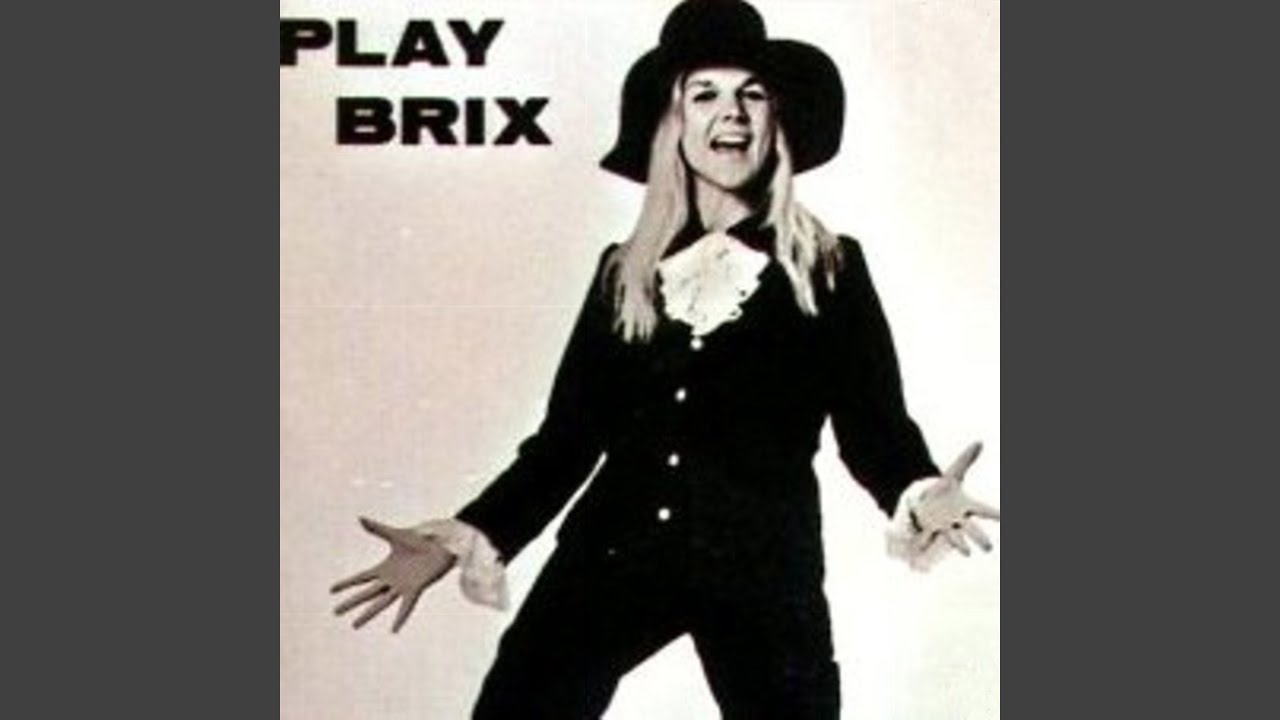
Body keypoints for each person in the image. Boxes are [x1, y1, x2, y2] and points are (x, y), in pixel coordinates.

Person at [330, 1, 999, 717]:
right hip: (614, 552)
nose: (731, 113)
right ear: (674, 122)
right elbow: (567, 440)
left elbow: (873, 425)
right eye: (704, 94)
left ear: (776, 121)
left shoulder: (827, 266)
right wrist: (467, 533)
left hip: (760, 564)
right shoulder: (624, 273)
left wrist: (919, 489)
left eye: (752, 95)